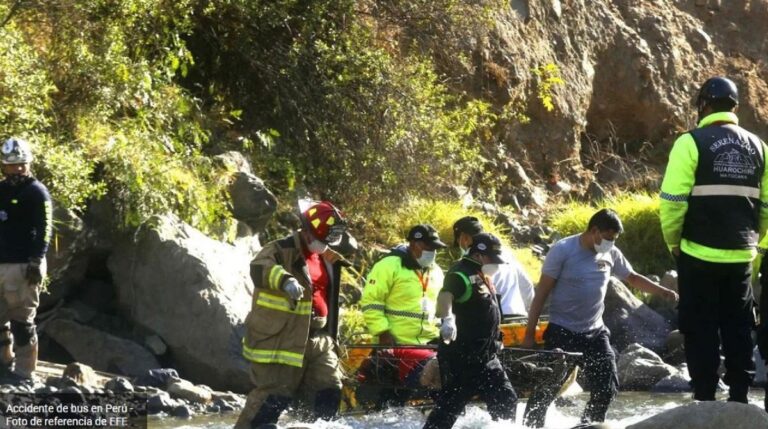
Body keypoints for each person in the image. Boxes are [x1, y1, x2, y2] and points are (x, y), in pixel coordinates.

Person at [659, 76, 768, 403]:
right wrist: (753, 244)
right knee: (738, 328)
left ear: (703, 106)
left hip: (697, 254)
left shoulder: (690, 142)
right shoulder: (760, 148)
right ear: (735, 107)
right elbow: (765, 209)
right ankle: (739, 398)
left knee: (699, 327)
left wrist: (673, 243)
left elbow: (672, 203)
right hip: (740, 258)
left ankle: (705, 397)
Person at [521, 209, 677, 426]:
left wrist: (661, 291)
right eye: (608, 238)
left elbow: (632, 277)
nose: (610, 243)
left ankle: (589, 425)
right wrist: (529, 334)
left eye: (614, 239)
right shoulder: (563, 250)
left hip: (595, 331)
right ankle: (529, 426)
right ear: (594, 231)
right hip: (562, 330)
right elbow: (541, 293)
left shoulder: (611, 253)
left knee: (607, 386)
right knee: (548, 388)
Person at [236, 201, 349, 429]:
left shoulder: (328, 259)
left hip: (319, 339)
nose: (324, 246)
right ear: (306, 232)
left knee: (327, 393)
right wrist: (284, 280)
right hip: (282, 339)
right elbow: (259, 267)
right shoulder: (280, 249)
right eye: (321, 240)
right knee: (272, 398)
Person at [423, 232, 517, 429]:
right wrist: (447, 318)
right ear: (478, 255)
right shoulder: (460, 273)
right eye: (492, 259)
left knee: (506, 399)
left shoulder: (483, 274)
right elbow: (444, 297)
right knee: (448, 410)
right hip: (462, 359)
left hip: (487, 357)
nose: (496, 264)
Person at [0, 138, 51, 380]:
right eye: (12, 164)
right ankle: (4, 363)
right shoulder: (1, 189)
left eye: (21, 164)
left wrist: (36, 260)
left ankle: (25, 372)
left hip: (24, 265)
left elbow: (45, 229)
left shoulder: (36, 191)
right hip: (2, 263)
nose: (17, 168)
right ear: (4, 166)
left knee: (22, 320)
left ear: (29, 163)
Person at [360, 224, 446, 346]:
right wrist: (383, 332)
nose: (432, 252)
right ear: (413, 244)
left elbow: (441, 305)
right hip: (396, 344)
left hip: (430, 342)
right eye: (428, 247)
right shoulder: (389, 265)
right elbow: (371, 302)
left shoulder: (436, 271)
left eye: (434, 249)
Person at [453, 216, 535, 318]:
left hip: (494, 319)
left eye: (458, 241)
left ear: (464, 238)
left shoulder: (471, 261)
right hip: (519, 315)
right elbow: (527, 285)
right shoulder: (507, 254)